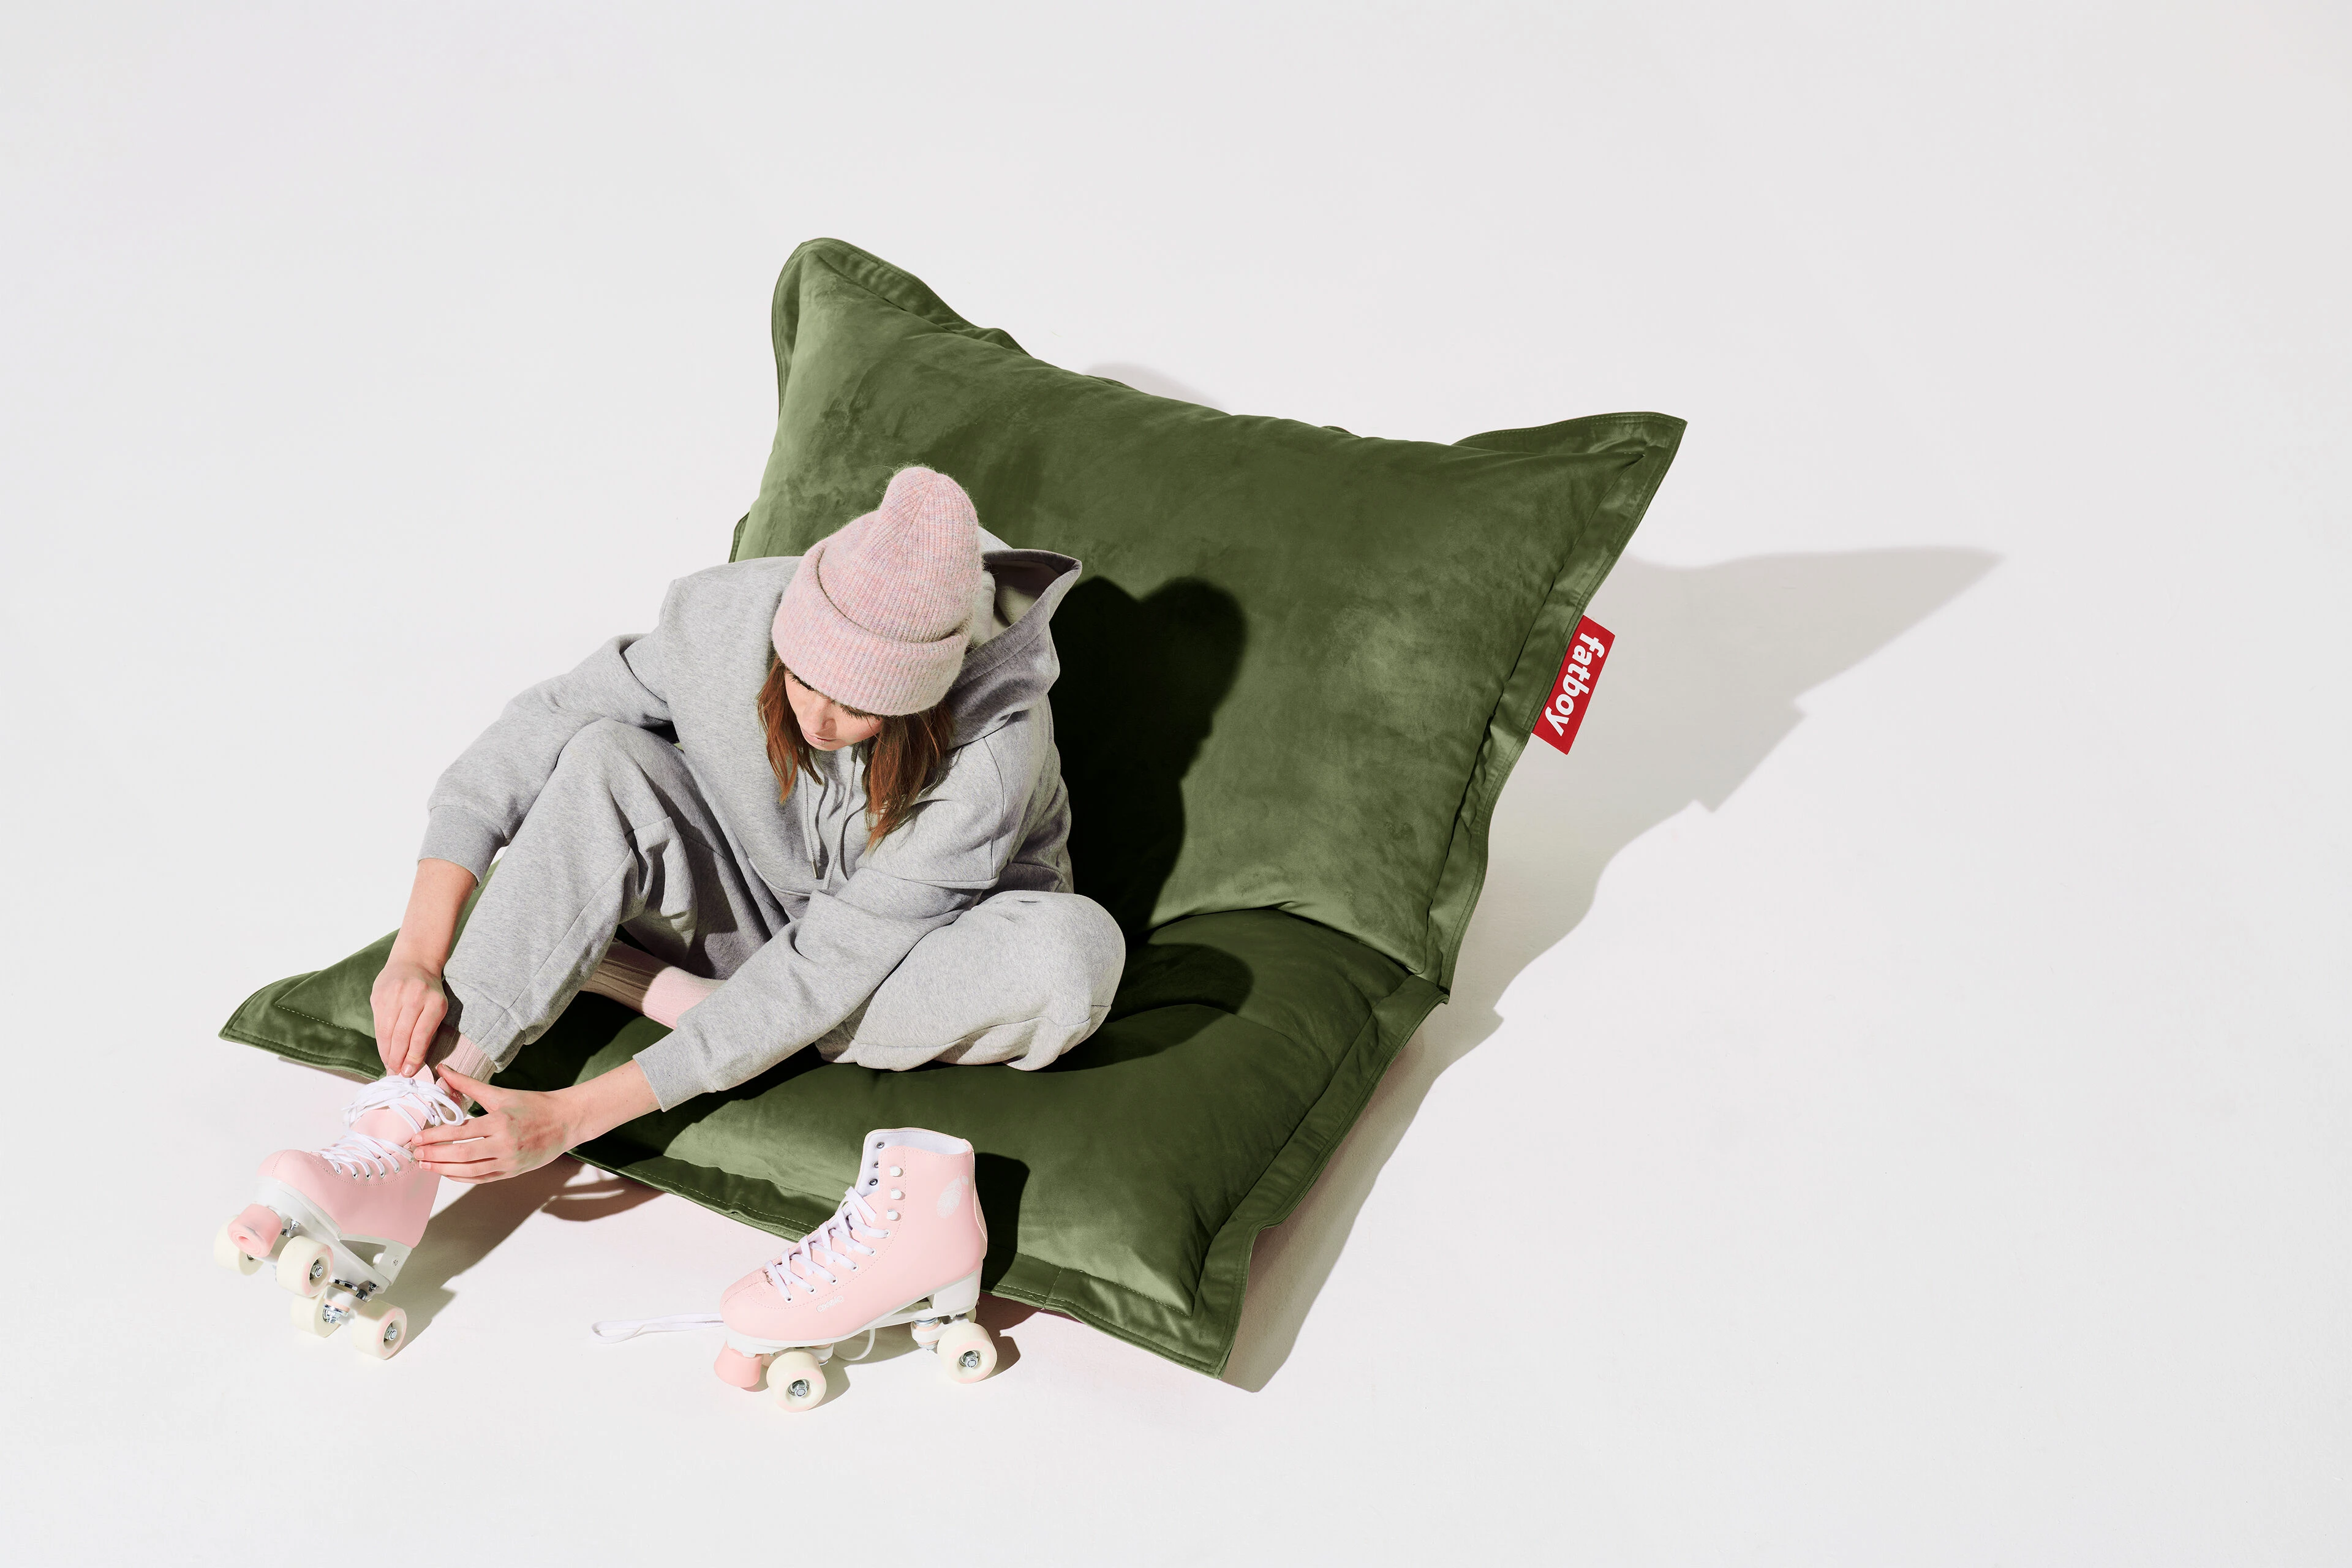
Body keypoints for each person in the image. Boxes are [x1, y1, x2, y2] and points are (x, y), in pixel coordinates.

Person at [217, 467, 1125, 1346]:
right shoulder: (724, 621)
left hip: (917, 961)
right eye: (804, 679)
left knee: (1071, 961)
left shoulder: (992, 754)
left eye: (859, 708)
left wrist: (571, 1117)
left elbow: (832, 966)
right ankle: (415, 1120)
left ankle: (664, 991)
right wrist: (419, 949)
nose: (817, 719)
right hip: (756, 909)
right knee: (605, 757)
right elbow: (546, 718)